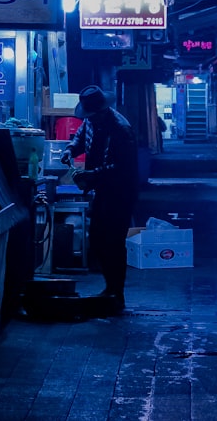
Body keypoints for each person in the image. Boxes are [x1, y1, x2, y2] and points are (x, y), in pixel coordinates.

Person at [61, 84, 139, 312]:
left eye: (91, 115)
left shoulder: (121, 130)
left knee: (113, 242)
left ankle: (117, 293)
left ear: (102, 111)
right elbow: (80, 137)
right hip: (104, 189)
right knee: (97, 238)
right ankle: (110, 289)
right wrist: (70, 150)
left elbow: (122, 167)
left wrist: (91, 175)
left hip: (121, 191)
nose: (88, 119)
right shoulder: (93, 121)